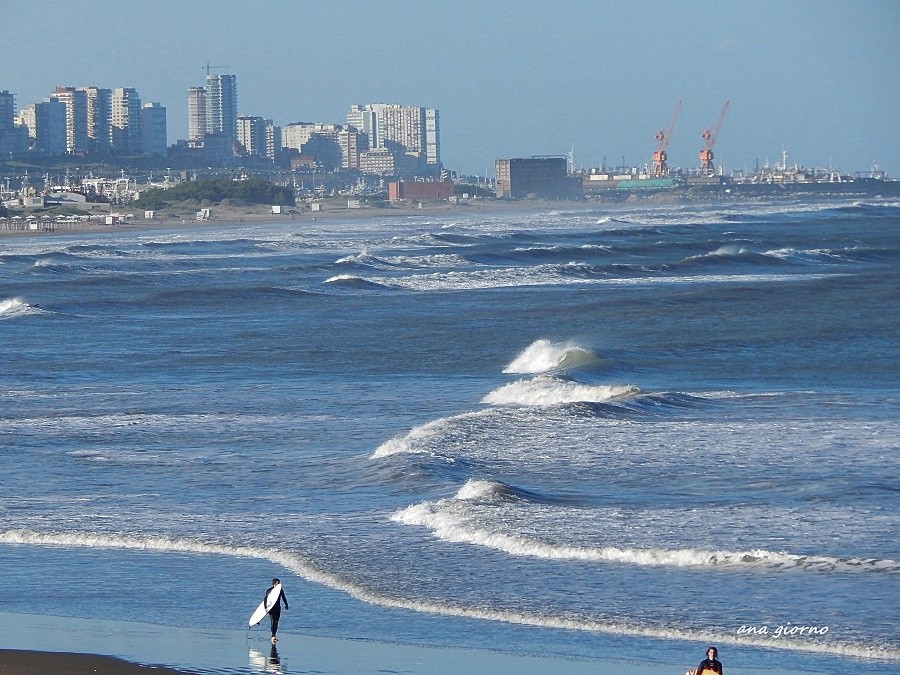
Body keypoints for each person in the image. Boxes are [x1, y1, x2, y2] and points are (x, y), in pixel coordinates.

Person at [264, 578, 289, 643]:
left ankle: (274, 634)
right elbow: (265, 600)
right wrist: (265, 608)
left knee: (276, 622)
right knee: (272, 621)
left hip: (278, 608)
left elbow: (284, 597)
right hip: (271, 608)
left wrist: (286, 604)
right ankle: (273, 635)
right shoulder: (269, 590)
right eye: (279, 583)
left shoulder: (280, 590)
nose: (280, 584)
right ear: (275, 583)